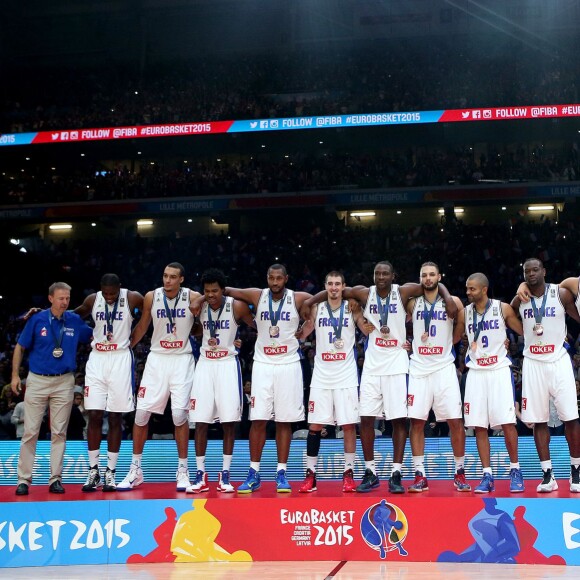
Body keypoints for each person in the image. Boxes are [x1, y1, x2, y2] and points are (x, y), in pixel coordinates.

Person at [302, 261, 457, 493]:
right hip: (373, 366)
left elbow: (429, 286)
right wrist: (311, 300)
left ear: (393, 275)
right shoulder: (365, 293)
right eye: (377, 273)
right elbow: (337, 290)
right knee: (365, 419)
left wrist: (444, 288)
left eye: (385, 273)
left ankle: (396, 473)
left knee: (397, 421)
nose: (381, 277)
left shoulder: (402, 291)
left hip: (396, 364)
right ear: (373, 276)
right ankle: (370, 471)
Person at [221, 264, 312, 493]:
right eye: (271, 277)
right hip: (262, 364)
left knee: (284, 420)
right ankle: (254, 473)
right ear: (267, 278)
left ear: (286, 279)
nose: (274, 282)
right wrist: (200, 300)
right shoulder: (257, 295)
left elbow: (323, 300)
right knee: (258, 419)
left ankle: (281, 472)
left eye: (279, 278)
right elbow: (226, 290)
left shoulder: (298, 297)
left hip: (289, 364)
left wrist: (306, 328)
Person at [117, 262, 201, 491]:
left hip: (182, 359)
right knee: (142, 414)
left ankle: (183, 471)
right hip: (157, 359)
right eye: (165, 276)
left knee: (179, 416)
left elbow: (206, 323)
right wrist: (126, 347)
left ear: (182, 279)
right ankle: (136, 469)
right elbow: (143, 325)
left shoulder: (194, 296)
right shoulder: (151, 296)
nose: (168, 280)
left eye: (173, 277)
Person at [11, 282, 93, 495]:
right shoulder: (37, 319)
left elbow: (94, 335)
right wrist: (14, 375)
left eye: (67, 298)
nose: (65, 302)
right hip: (37, 380)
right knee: (30, 431)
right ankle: (23, 480)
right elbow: (20, 347)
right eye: (60, 298)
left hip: (64, 381)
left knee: (59, 432)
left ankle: (55, 479)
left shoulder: (74, 320)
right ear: (50, 299)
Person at [511, 258, 580, 492]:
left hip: (558, 360)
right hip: (532, 362)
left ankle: (576, 472)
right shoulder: (519, 298)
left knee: (571, 417)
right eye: (526, 271)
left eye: (535, 269)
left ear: (544, 271)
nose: (530, 274)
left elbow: (575, 315)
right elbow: (507, 316)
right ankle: (547, 475)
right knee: (538, 420)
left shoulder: (560, 293)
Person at [297, 271, 368, 493]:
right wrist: (291, 335)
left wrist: (383, 329)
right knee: (315, 425)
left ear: (344, 286)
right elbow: (304, 332)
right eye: (330, 283)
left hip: (346, 374)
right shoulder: (317, 309)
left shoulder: (352, 307)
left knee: (348, 425)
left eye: (338, 284)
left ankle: (348, 475)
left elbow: (365, 328)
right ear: (325, 286)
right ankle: (311, 476)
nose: (334, 287)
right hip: (321, 375)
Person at [71, 274, 144, 491]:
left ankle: (110, 471)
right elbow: (75, 315)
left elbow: (151, 311)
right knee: (93, 414)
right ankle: (93, 471)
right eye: (106, 293)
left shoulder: (132, 297)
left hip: (121, 357)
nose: (110, 297)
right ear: (101, 290)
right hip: (98, 358)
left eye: (113, 293)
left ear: (120, 288)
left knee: (115, 416)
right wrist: (47, 314)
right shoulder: (93, 300)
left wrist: (137, 333)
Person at [453, 272, 525, 493]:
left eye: (472, 288)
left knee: (507, 422)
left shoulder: (501, 308)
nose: (468, 292)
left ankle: (515, 470)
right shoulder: (465, 313)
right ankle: (487, 475)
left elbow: (523, 331)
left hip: (499, 370)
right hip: (476, 372)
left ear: (484, 289)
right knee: (479, 425)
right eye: (466, 288)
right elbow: (453, 338)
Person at [186, 268, 255, 494]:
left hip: (227, 364)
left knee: (229, 422)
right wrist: (198, 302)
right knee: (200, 421)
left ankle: (225, 474)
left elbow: (257, 326)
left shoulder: (236, 306)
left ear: (223, 290)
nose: (211, 295)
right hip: (205, 364)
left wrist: (242, 342)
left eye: (215, 291)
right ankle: (200, 474)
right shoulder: (200, 305)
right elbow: (195, 329)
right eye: (207, 291)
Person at [406, 262, 469, 492]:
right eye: (424, 275)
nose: (428, 278)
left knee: (455, 421)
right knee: (417, 422)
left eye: (432, 274)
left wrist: (449, 341)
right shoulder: (412, 302)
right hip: (419, 368)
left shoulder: (454, 302)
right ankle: (420, 475)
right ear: (420, 277)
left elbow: (460, 328)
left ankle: (459, 472)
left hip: (444, 367)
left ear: (439, 276)